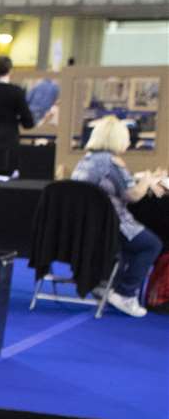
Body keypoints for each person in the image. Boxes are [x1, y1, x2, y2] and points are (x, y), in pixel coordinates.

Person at [70, 115, 168, 318]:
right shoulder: (112, 163)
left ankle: (107, 283)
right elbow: (133, 196)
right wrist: (149, 180)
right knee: (151, 244)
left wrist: (142, 179)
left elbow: (117, 185)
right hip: (111, 225)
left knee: (132, 244)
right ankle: (125, 292)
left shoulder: (85, 160)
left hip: (84, 225)